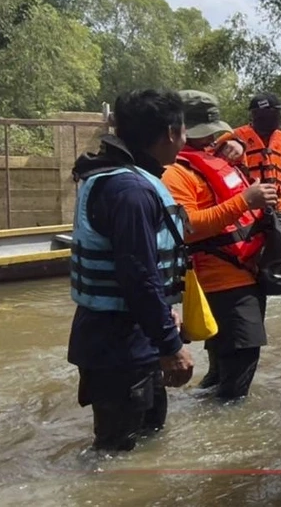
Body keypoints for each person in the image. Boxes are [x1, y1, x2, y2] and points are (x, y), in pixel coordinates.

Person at [67, 89, 195, 451]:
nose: (185, 139)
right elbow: (138, 276)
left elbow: (138, 272)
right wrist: (171, 346)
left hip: (131, 339)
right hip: (119, 348)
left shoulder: (124, 180)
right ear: (170, 132)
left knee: (147, 441)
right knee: (116, 452)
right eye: (184, 130)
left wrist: (163, 319)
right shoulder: (131, 190)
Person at [162, 91, 278, 400]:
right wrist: (245, 201)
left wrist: (237, 145)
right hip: (223, 285)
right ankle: (222, 425)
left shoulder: (214, 153)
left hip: (243, 274)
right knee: (237, 378)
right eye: (204, 133)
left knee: (221, 374)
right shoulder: (174, 173)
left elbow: (237, 149)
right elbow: (186, 228)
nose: (212, 139)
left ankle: (202, 411)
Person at [220, 93, 281, 211]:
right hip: (248, 205)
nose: (279, 116)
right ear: (263, 115)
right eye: (276, 112)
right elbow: (208, 155)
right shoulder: (236, 135)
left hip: (278, 204)